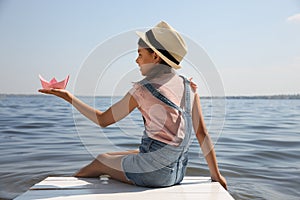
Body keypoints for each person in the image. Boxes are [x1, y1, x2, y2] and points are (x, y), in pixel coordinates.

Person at [38, 21, 227, 189]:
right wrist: (216, 176)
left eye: (140, 54)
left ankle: (68, 188)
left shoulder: (142, 90)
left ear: (155, 57)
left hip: (155, 175)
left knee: (101, 160)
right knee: (119, 153)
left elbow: (103, 120)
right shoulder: (189, 88)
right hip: (177, 174)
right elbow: (202, 133)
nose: (136, 60)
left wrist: (69, 97)